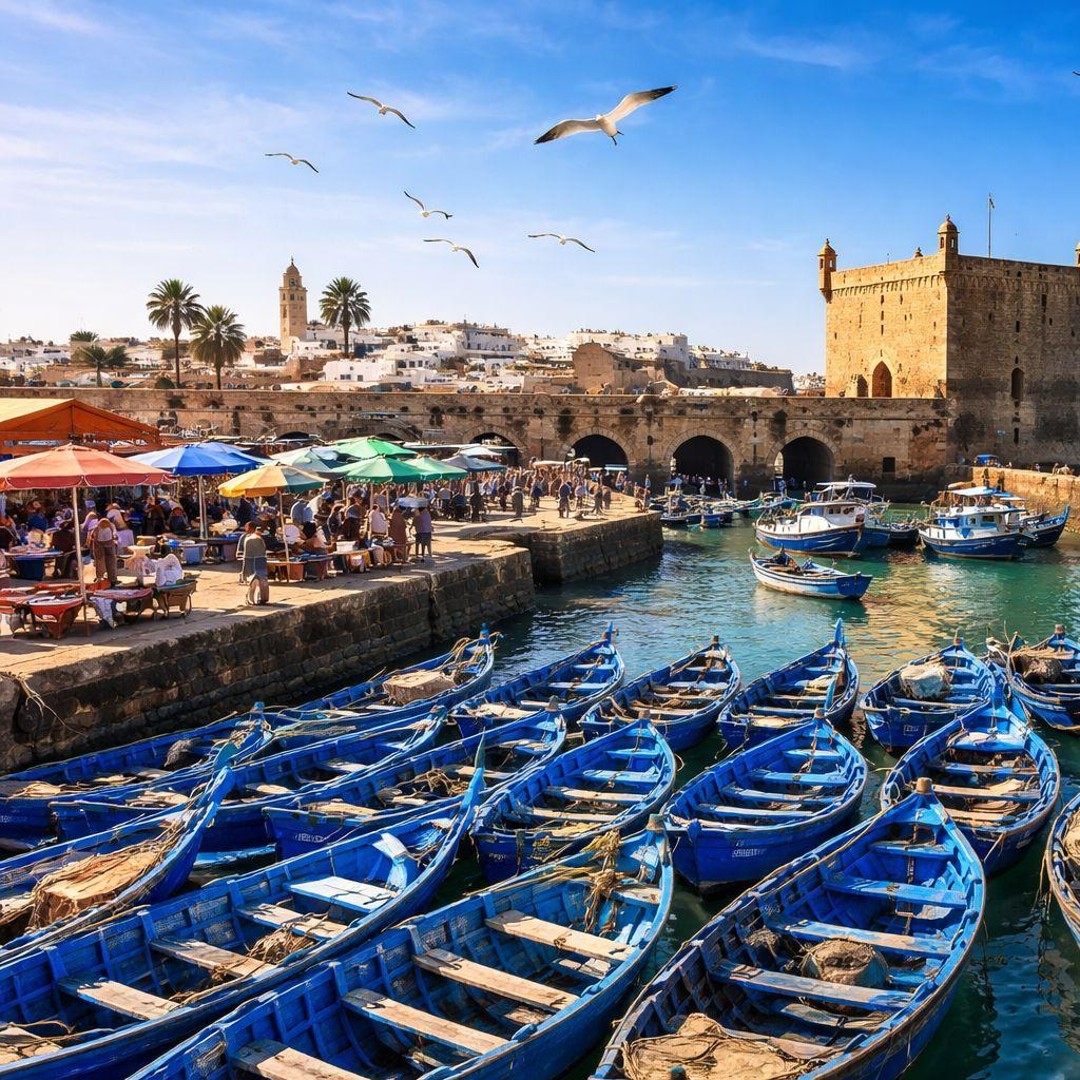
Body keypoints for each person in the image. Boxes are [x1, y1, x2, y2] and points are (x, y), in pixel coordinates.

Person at [90, 513, 120, 587]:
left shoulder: (96, 528)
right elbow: (115, 535)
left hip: (98, 544)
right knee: (111, 561)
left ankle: (100, 578)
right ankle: (112, 579)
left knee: (99, 561)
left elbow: (92, 537)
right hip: (109, 543)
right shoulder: (111, 526)